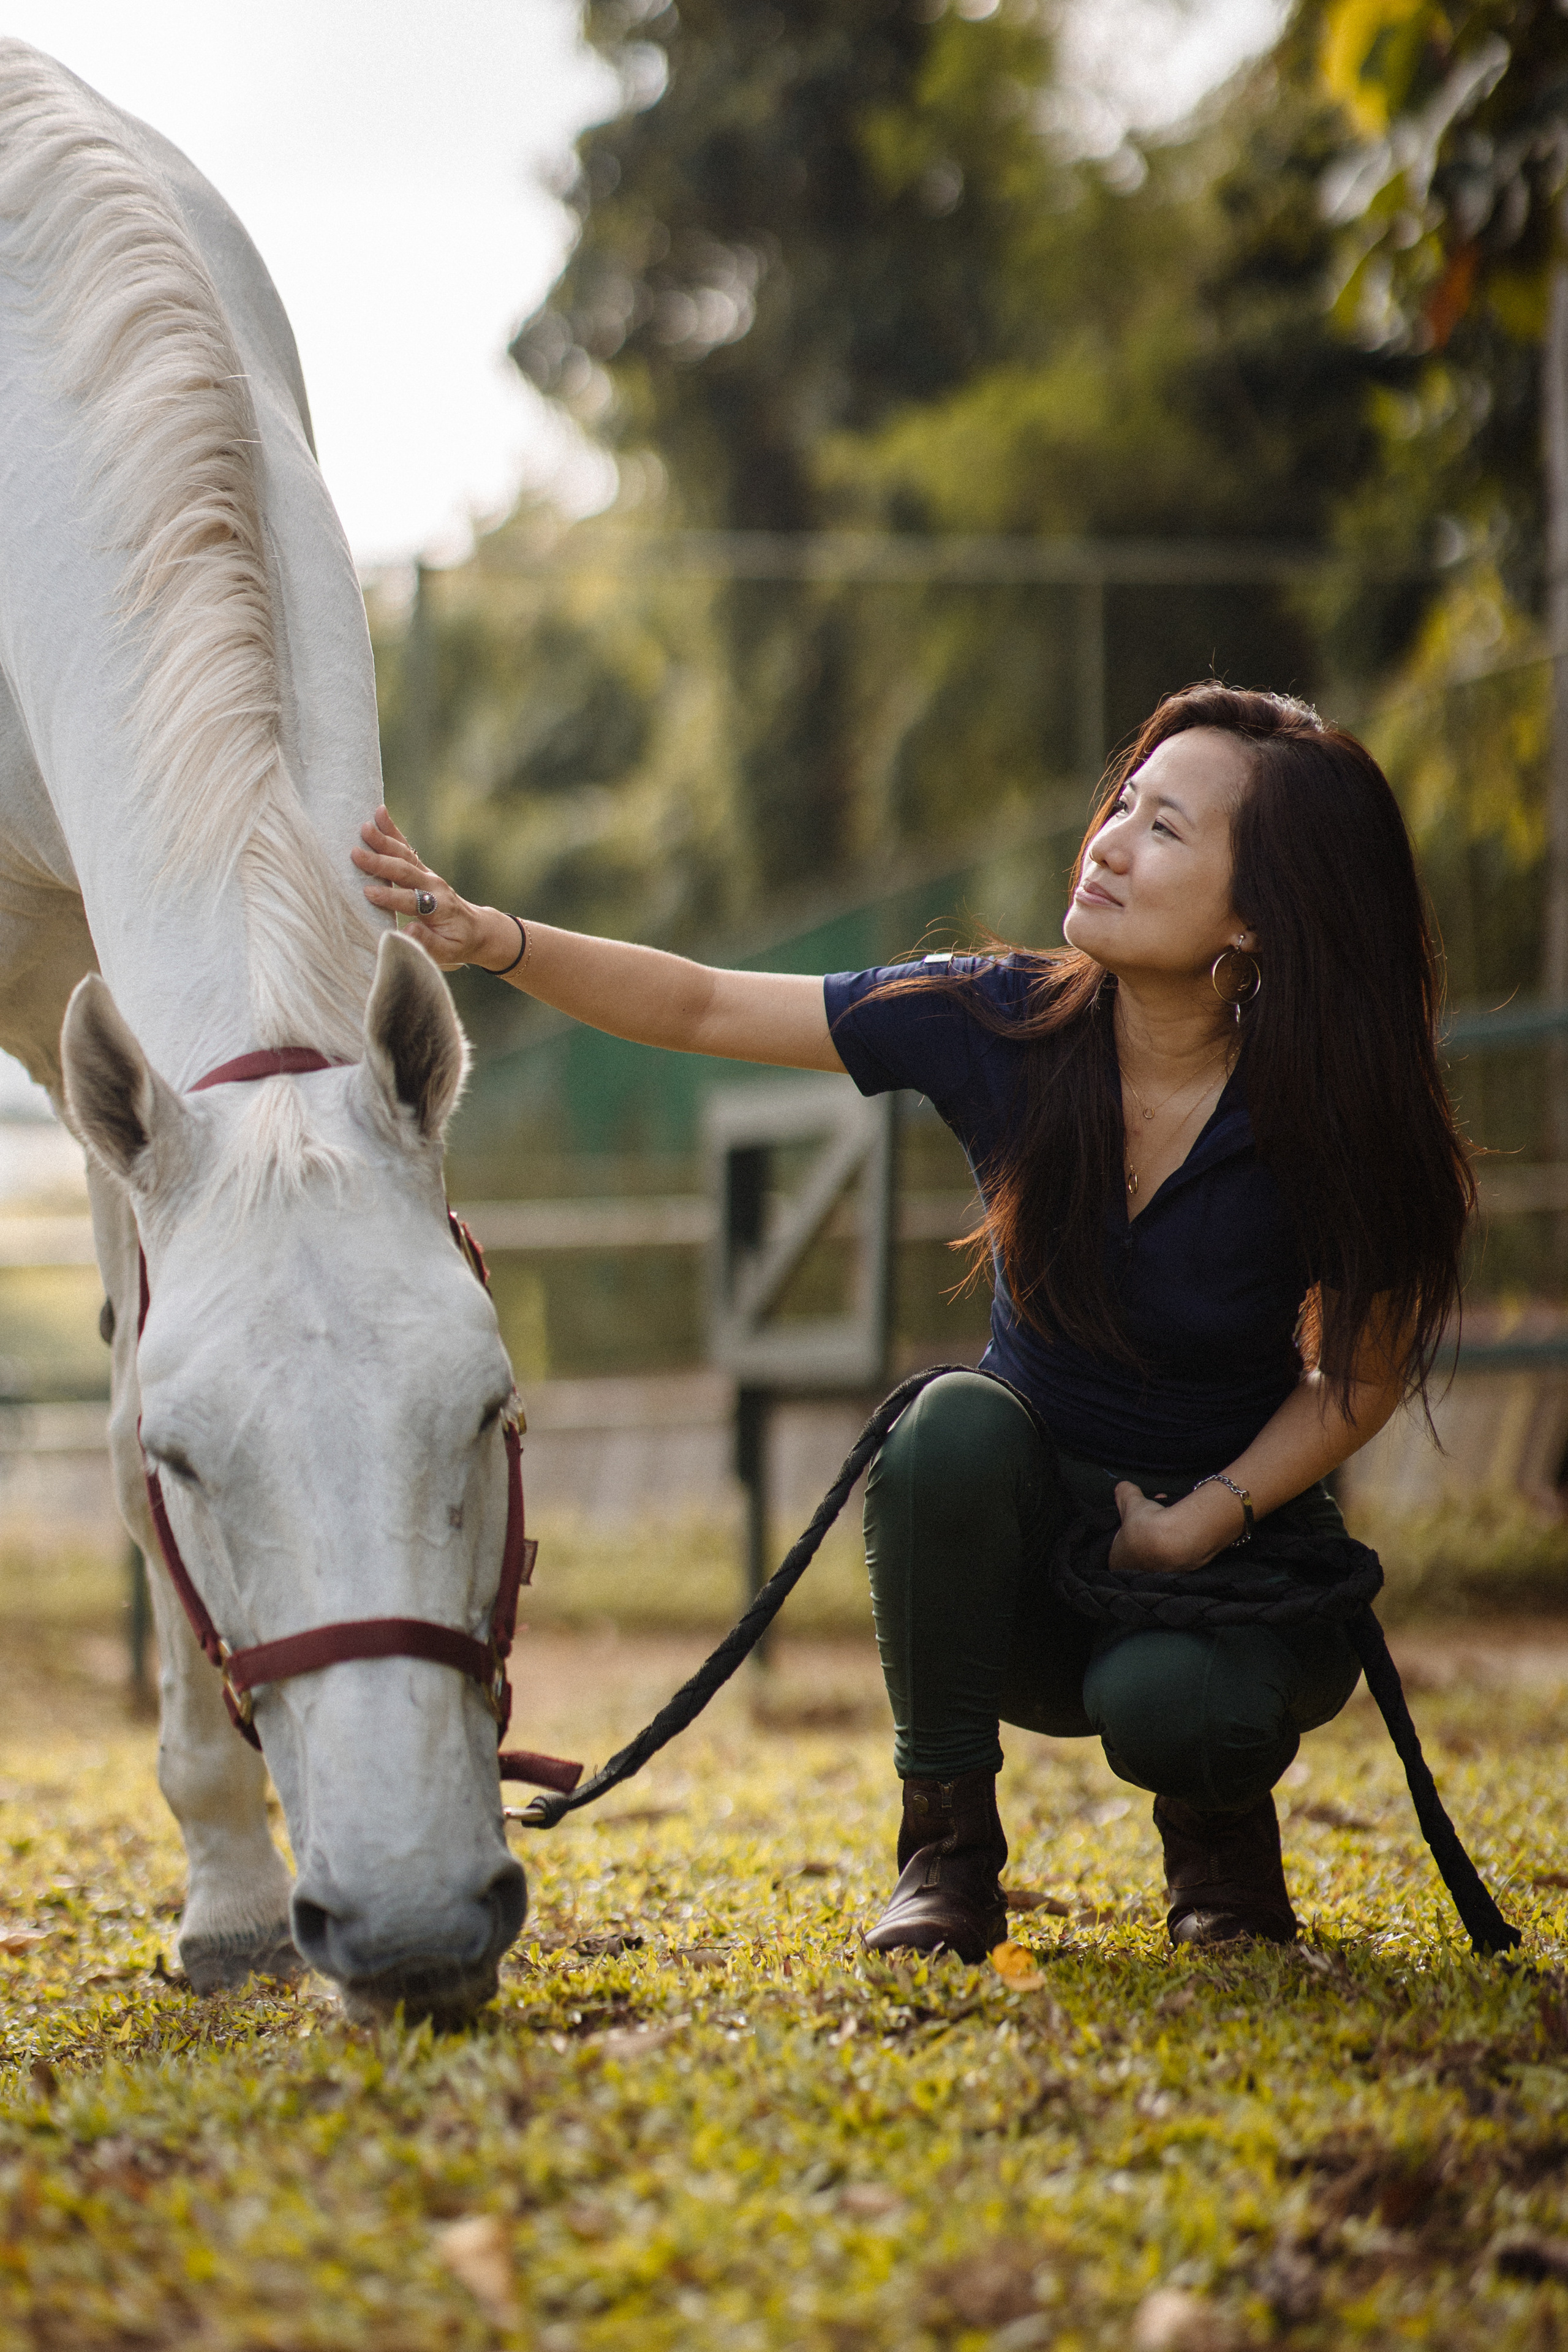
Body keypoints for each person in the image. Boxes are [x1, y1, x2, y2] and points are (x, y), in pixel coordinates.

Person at [352, 683, 1472, 1961]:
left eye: (1165, 830)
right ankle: (945, 1848)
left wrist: (1205, 1516)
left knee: (1180, 1709)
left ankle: (1221, 1852)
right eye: (1123, 804)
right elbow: (706, 1005)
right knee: (947, 1429)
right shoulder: (998, 1021)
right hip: (1025, 1564)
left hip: (1227, 1567)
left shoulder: (1332, 1109)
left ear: (1258, 918)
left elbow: (1356, 1381)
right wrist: (493, 937)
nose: (1109, 841)